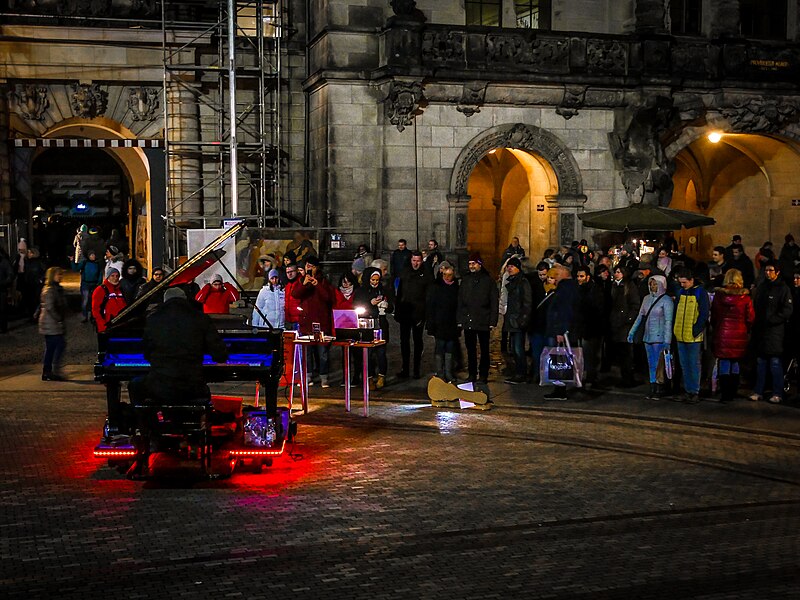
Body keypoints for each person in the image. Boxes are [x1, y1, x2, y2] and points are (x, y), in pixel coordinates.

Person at [127, 287, 228, 422]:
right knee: (202, 388)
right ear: (185, 300)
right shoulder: (200, 319)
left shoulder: (153, 320)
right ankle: (192, 430)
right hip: (193, 386)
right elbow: (220, 355)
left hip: (161, 386)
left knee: (135, 385)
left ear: (165, 301)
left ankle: (151, 431)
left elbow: (146, 354)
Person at [749, 260, 793, 403]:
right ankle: (758, 390)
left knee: (775, 363)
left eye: (771, 270)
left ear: (777, 272)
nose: (768, 273)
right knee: (761, 363)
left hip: (775, 332)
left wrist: (773, 319)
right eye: (766, 270)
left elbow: (787, 310)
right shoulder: (763, 287)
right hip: (761, 331)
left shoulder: (783, 289)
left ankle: (777, 393)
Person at [710, 269, 755, 403]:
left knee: (724, 362)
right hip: (739, 333)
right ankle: (733, 390)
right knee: (735, 362)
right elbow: (751, 317)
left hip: (723, 333)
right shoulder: (745, 298)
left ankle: (725, 394)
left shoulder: (719, 296)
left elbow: (714, 315)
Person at [292, 256, 335, 387]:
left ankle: (324, 376)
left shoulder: (323, 281)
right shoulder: (301, 281)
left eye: (312, 266)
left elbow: (328, 298)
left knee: (322, 353)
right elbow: (295, 294)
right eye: (307, 266)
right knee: (307, 352)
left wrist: (317, 285)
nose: (309, 269)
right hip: (306, 322)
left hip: (321, 322)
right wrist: (305, 284)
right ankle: (308, 376)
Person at [627, 275, 673, 399]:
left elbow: (668, 321)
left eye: (655, 284)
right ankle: (653, 386)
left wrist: (667, 340)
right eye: (651, 284)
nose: (653, 286)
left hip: (660, 337)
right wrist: (632, 332)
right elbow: (640, 316)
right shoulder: (646, 299)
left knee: (659, 364)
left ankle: (659, 386)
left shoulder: (667, 300)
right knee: (651, 363)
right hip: (648, 336)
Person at [457, 252, 498, 384]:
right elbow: (460, 301)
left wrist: (493, 320)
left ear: (479, 264)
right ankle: (472, 373)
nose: (471, 266)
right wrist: (460, 318)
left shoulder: (488, 281)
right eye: (470, 264)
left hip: (483, 319)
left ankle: (483, 374)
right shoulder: (466, 280)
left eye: (473, 264)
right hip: (469, 319)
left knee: (485, 349)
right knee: (470, 349)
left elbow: (493, 302)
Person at [672, 268, 710, 403]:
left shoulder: (700, 293)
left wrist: (696, 330)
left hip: (693, 336)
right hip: (680, 334)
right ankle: (688, 391)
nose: (682, 285)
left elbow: (704, 314)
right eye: (681, 282)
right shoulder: (681, 292)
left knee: (693, 364)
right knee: (684, 364)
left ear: (691, 280)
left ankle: (694, 391)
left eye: (684, 282)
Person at [354, 266, 394, 388]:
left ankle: (382, 376)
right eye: (373, 280)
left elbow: (391, 307)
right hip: (366, 326)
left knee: (381, 353)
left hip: (381, 324)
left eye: (377, 280)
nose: (375, 282)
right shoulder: (361, 291)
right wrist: (369, 303)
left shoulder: (383, 290)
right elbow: (356, 306)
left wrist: (387, 306)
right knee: (368, 353)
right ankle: (369, 377)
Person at [542, 263, 578, 398]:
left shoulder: (566, 289)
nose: (555, 277)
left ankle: (560, 389)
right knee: (558, 359)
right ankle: (559, 387)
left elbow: (564, 311)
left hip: (559, 331)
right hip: (557, 329)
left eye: (557, 274)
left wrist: (560, 331)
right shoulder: (564, 287)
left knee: (559, 360)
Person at [395, 251, 433, 379]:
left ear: (421, 261)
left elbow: (428, 297)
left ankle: (416, 369)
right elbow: (399, 293)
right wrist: (398, 310)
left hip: (418, 314)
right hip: (405, 312)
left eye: (418, 261)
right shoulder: (405, 273)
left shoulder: (426, 275)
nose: (416, 263)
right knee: (404, 342)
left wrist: (424, 315)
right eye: (414, 261)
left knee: (418, 342)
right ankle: (405, 369)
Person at [503, 257, 532, 384]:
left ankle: (521, 373)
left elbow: (527, 302)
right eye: (509, 266)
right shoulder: (512, 281)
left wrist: (522, 320)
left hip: (518, 321)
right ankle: (518, 372)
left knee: (518, 348)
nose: (510, 268)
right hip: (512, 319)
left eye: (512, 266)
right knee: (514, 348)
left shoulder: (523, 282)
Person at [609, 265, 640, 386]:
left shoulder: (628, 286)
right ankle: (624, 377)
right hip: (616, 323)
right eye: (615, 272)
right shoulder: (614, 286)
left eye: (618, 272)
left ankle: (628, 378)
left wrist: (628, 318)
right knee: (621, 353)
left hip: (625, 324)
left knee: (626, 353)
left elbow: (634, 304)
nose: (616, 274)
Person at [574, 265, 604, 388]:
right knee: (582, 354)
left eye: (581, 276)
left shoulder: (595, 290)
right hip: (580, 328)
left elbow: (597, 309)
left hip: (591, 328)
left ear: (587, 277)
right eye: (577, 276)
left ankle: (591, 377)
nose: (579, 279)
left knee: (590, 355)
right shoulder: (577, 289)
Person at [38, 267, 68, 381]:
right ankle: (51, 370)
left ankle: (48, 371)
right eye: (58, 275)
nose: (60, 277)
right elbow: (50, 307)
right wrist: (58, 318)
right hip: (51, 323)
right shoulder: (50, 289)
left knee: (52, 347)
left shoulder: (56, 288)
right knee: (58, 345)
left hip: (51, 322)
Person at [526, 262, 554, 382]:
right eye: (540, 274)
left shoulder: (555, 289)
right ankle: (536, 374)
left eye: (544, 275)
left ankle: (548, 375)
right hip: (536, 326)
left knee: (549, 353)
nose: (543, 277)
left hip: (549, 327)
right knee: (536, 353)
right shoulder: (534, 286)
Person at [91, 268, 127, 333]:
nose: (115, 278)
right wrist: (102, 326)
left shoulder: (121, 290)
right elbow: (95, 310)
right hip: (107, 326)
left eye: (117, 276)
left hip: (121, 325)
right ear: (108, 277)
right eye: (112, 276)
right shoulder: (100, 290)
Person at [71, 250, 103, 323]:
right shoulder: (84, 263)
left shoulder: (97, 264)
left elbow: (100, 274)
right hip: (85, 284)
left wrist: (99, 283)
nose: (93, 257)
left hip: (94, 284)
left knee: (93, 301)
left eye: (94, 255)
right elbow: (76, 269)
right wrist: (72, 261)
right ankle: (84, 316)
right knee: (85, 301)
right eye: (91, 255)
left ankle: (92, 316)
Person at [283, 262, 302, 330]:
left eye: (291, 271)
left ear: (297, 271)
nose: (289, 274)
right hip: (289, 321)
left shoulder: (301, 283)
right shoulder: (287, 286)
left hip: (299, 320)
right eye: (287, 272)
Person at [0, 247, 13, 333]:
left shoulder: (4, 262)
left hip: (1, 289)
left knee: (2, 309)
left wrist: (3, 283)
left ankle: (3, 327)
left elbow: (10, 275)